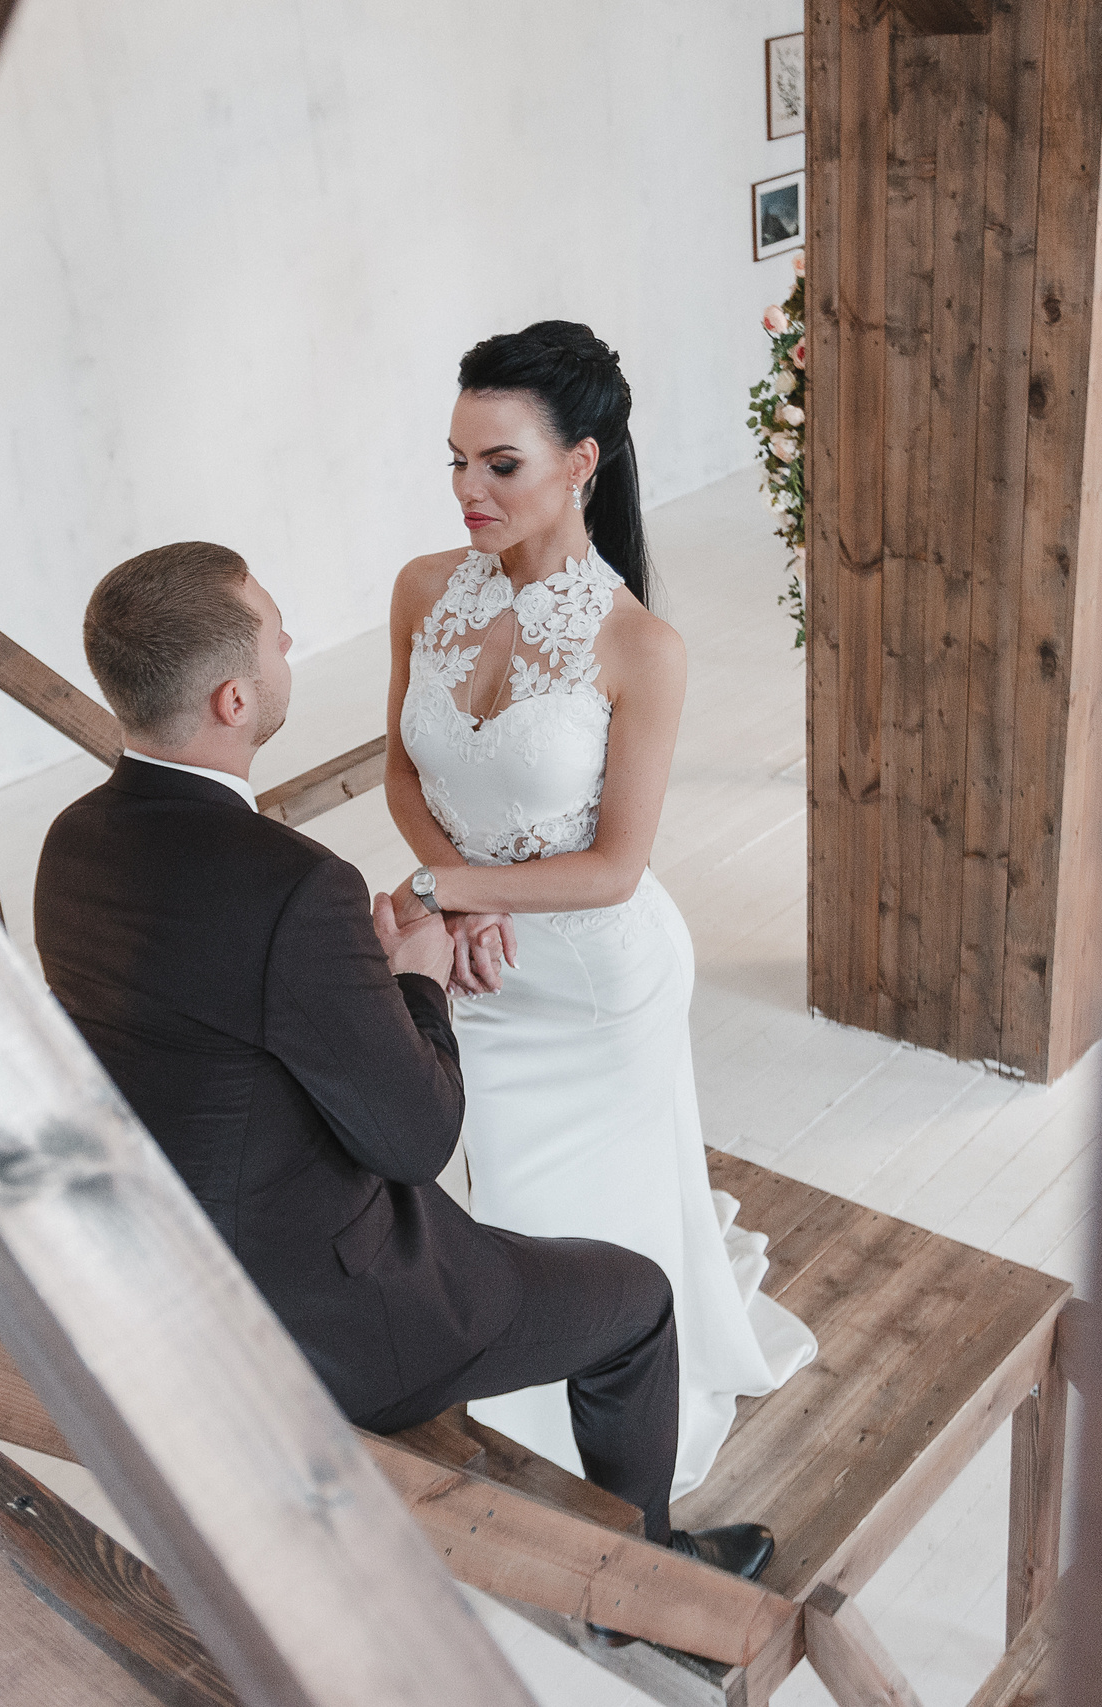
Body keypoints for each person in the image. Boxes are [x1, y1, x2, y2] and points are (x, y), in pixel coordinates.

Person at [35, 539, 771, 1576]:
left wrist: (354, 984)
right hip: (312, 1322)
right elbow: (418, 1138)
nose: (291, 639)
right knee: (639, 1301)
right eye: (274, 631)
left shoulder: (70, 842)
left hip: (156, 1272)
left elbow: (218, 1038)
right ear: (235, 701)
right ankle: (649, 1582)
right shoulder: (297, 888)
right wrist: (416, 980)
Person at [381, 322, 816, 1499]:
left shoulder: (639, 647)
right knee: (491, 1202)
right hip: (476, 964)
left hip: (591, 983)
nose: (468, 491)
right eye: (457, 461)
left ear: (581, 461)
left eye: (500, 465)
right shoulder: (422, 590)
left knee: (577, 1224)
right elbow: (404, 776)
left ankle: (597, 1448)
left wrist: (441, 892)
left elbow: (617, 866)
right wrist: (457, 902)